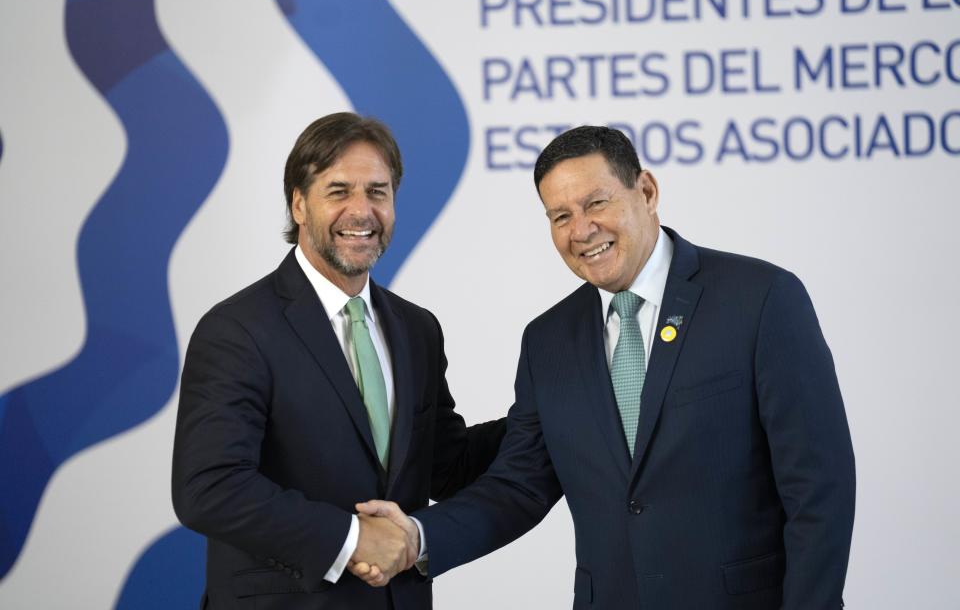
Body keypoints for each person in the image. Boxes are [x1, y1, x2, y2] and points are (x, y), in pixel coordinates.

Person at [353, 125, 856, 609]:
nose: (582, 229)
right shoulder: (548, 341)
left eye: (596, 202)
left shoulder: (761, 300)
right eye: (560, 216)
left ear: (647, 190)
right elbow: (519, 485)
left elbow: (818, 489)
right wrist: (417, 536)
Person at [171, 112, 505, 610]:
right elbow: (209, 487)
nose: (362, 211)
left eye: (378, 192)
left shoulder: (417, 329)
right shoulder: (237, 330)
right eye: (339, 191)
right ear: (299, 204)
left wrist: (549, 412)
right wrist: (351, 538)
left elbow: (446, 466)